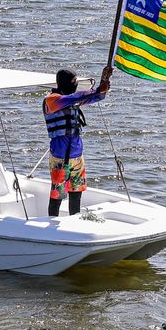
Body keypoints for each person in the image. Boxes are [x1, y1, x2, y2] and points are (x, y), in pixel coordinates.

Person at [43, 66, 112, 217]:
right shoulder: (51, 100)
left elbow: (99, 96)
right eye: (73, 81)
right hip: (60, 158)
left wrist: (105, 80)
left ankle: (75, 221)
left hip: (77, 157)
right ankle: (51, 225)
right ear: (64, 83)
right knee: (58, 195)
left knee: (76, 194)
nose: (75, 85)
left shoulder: (74, 100)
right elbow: (72, 98)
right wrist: (97, 89)